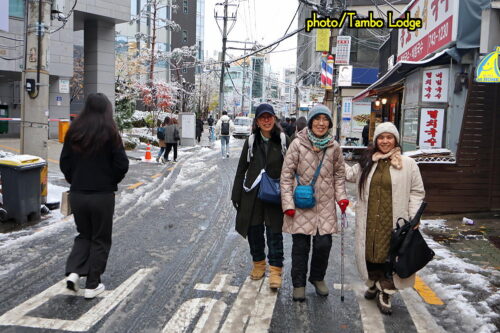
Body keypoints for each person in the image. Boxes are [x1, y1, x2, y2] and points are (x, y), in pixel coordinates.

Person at [344, 122, 425, 315]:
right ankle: (374, 283)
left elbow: (417, 192)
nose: (385, 141)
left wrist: (414, 218)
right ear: (376, 141)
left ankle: (386, 291)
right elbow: (347, 174)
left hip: (394, 221)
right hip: (370, 219)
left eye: (389, 137)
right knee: (370, 253)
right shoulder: (367, 162)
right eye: (381, 137)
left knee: (390, 257)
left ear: (395, 140)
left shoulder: (408, 164)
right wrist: (331, 153)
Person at [60, 93, 129, 299]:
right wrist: (110, 181)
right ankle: (92, 284)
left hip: (78, 194)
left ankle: (74, 272)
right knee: (100, 238)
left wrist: (76, 180)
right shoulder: (110, 132)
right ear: (106, 109)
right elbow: (122, 164)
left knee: (84, 235)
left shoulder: (74, 131)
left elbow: (65, 163)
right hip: (102, 195)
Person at [280, 104, 349, 302]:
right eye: (317, 119)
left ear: (329, 123)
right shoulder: (297, 144)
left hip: (325, 205)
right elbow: (286, 176)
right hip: (302, 204)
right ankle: (299, 284)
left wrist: (342, 197)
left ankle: (317, 278)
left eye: (324, 119)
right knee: (300, 247)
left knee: (323, 244)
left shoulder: (334, 147)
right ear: (310, 122)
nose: (321, 123)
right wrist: (288, 205)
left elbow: (339, 175)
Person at [231, 103, 290, 290]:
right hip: (252, 193)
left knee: (274, 232)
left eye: (269, 117)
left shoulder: (282, 140)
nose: (266, 120)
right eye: (262, 118)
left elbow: (292, 167)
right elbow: (241, 169)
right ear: (257, 121)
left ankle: (275, 270)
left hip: (274, 193)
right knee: (254, 231)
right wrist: (236, 195)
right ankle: (258, 264)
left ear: (274, 119)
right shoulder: (251, 142)